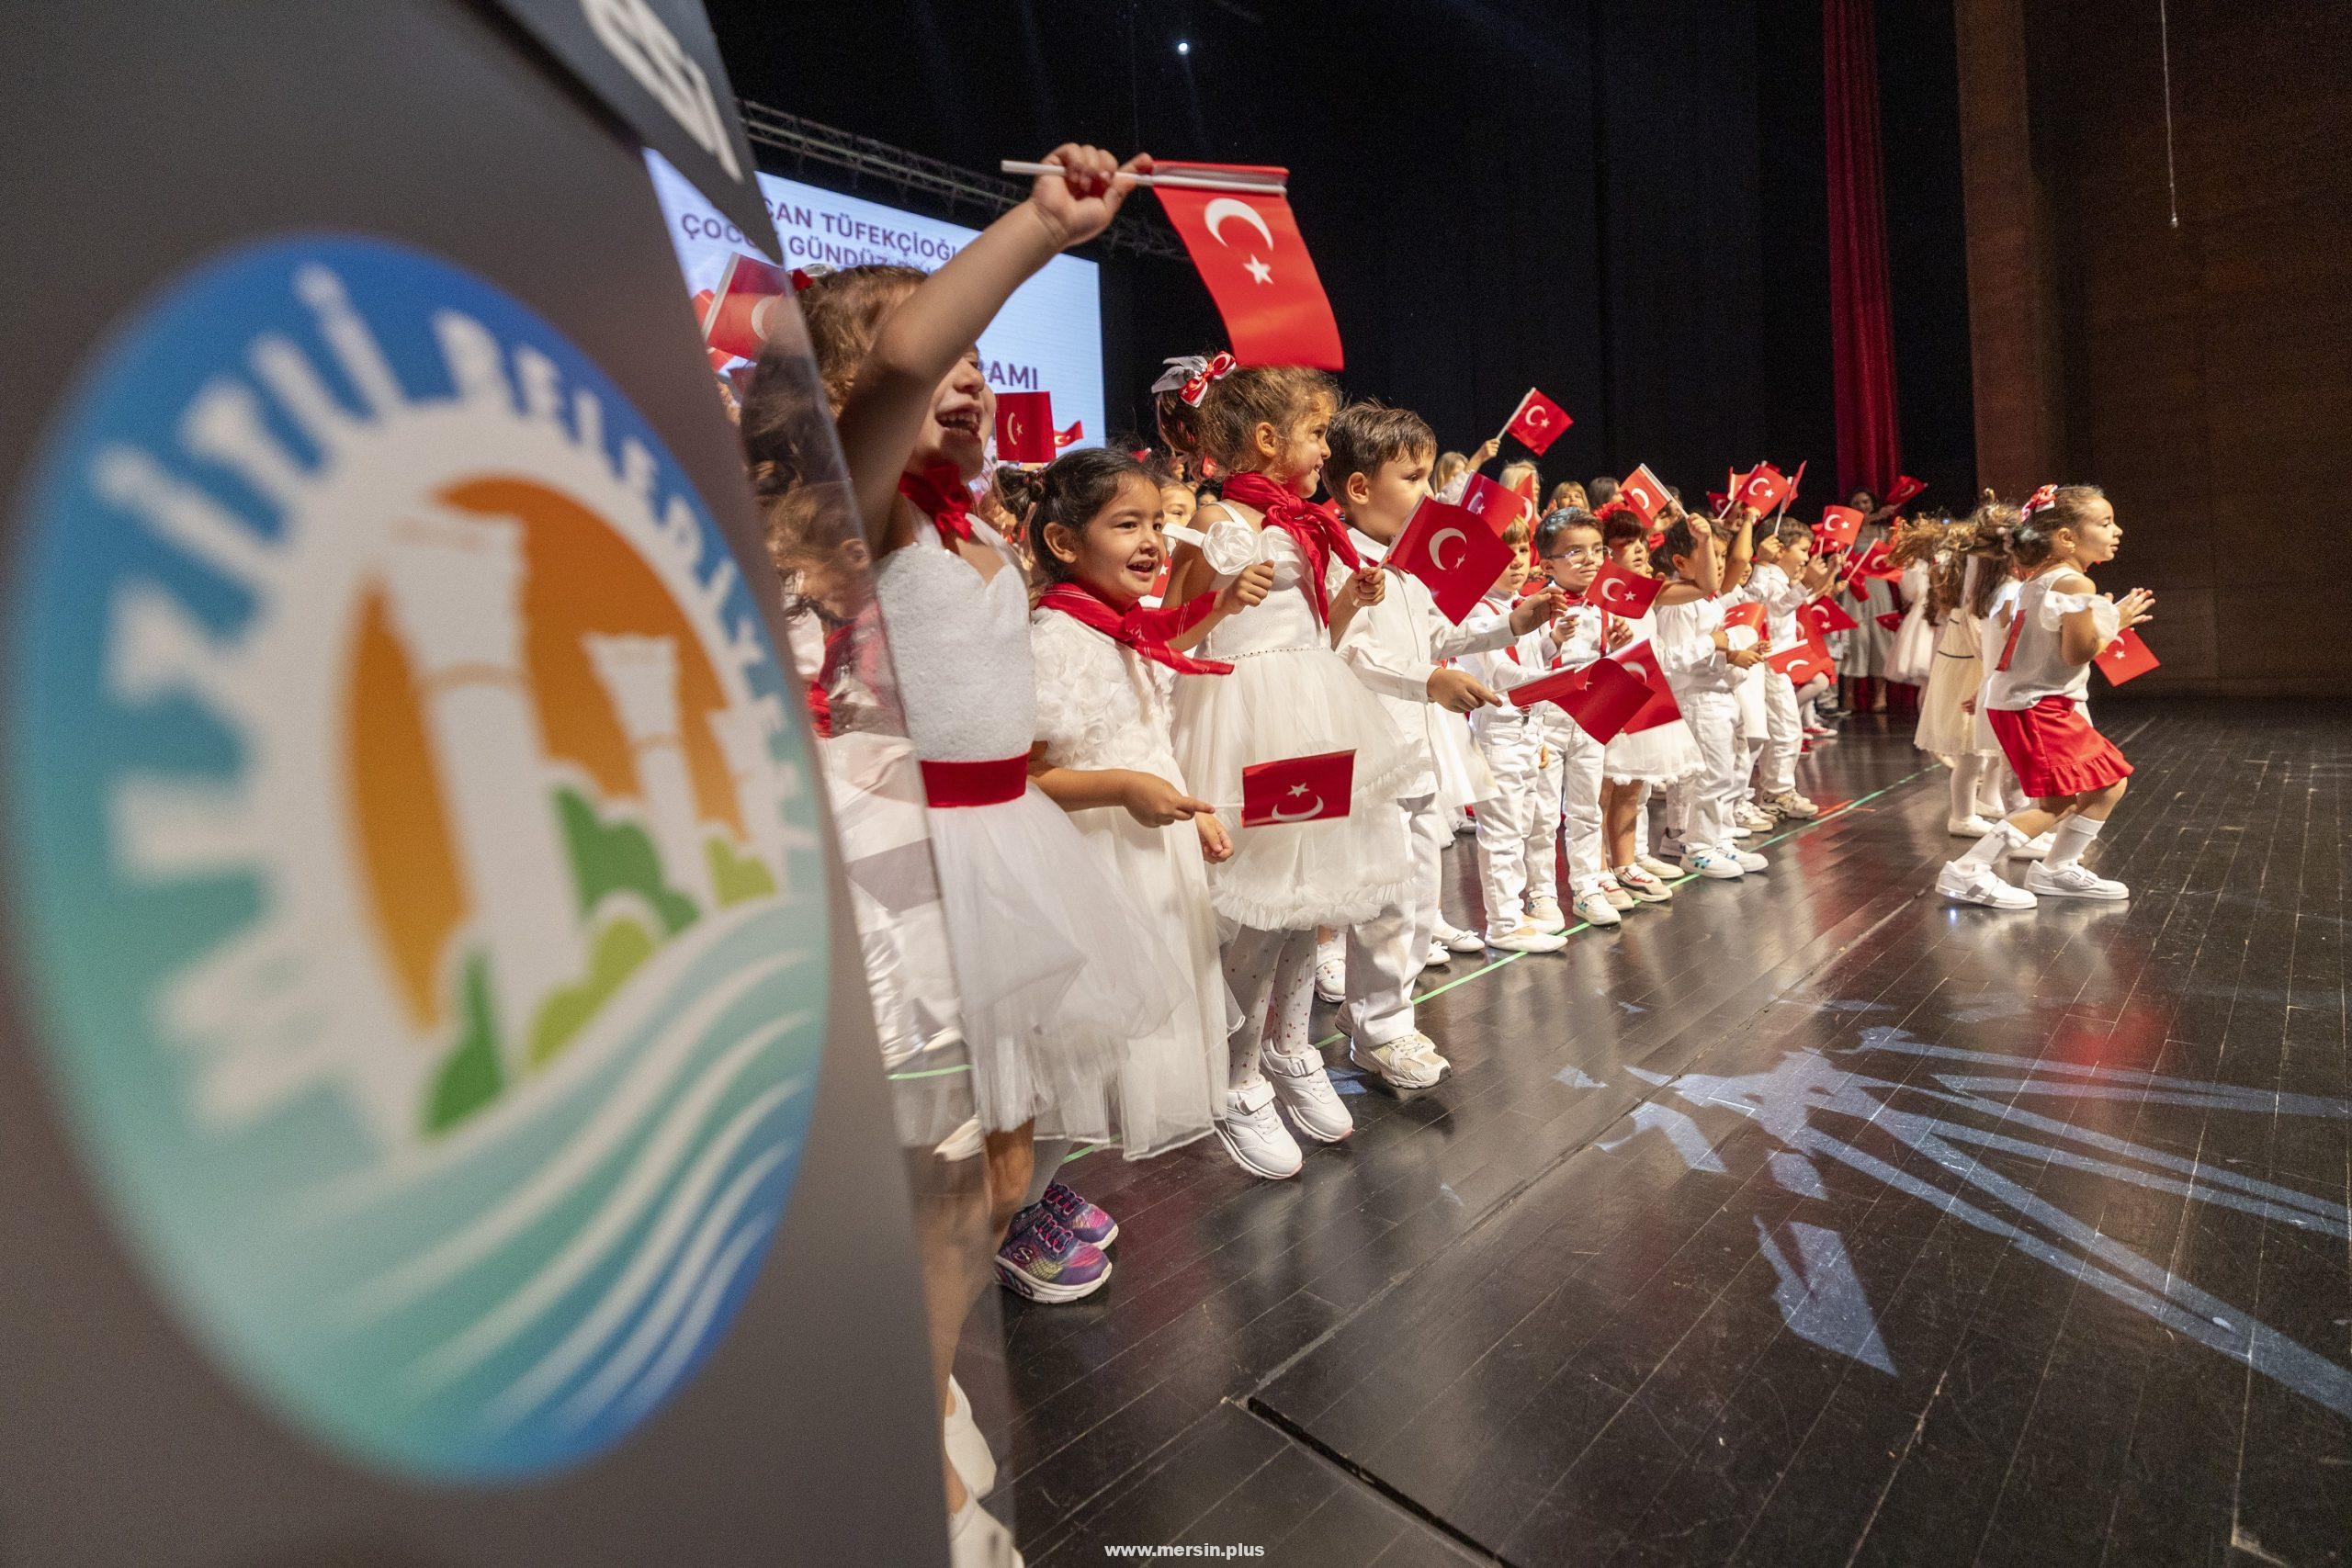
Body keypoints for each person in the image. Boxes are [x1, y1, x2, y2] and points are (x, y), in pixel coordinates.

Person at [790, 144, 1171, 1567]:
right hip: (903, 860)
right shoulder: (856, 507)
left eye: (976, 355)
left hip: (997, 848)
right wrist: (1034, 228)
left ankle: (928, 1356)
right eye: (937, 347)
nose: (963, 372)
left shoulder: (976, 519)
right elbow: (893, 371)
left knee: (1003, 1172)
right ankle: (895, 1426)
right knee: (934, 1173)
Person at [1158, 358, 1419, 1179]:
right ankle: (1236, 1079)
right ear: (1268, 440)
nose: (1323, 448)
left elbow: (1315, 632)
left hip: (1312, 707)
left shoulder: (1306, 525)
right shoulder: (1217, 523)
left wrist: (1351, 602)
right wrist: (1223, 600)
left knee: (1315, 902)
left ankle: (1290, 1047)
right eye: (1314, 433)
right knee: (1265, 907)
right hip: (1249, 725)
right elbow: (1168, 635)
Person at [1018, 448, 1281, 1171]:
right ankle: (1025, 1205)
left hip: (1144, 856)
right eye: (1126, 524)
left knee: (1124, 1040)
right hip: (1093, 864)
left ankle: (1048, 1190)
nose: (1152, 543)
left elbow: (1147, 730)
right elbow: (1029, 775)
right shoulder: (1056, 642)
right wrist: (1126, 789)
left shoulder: (1118, 625)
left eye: (1157, 525)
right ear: (1065, 543)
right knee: (1073, 1049)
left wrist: (1181, 804)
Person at [1322, 400, 1563, 1083]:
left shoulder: (1408, 562)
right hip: (1375, 753)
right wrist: (1429, 680)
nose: (1430, 493)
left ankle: (1380, 1013)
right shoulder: (1342, 561)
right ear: (1361, 487)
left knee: (1420, 887)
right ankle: (1379, 1027)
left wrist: (1511, 622)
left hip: (1422, 749)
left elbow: (1438, 636)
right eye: (1414, 477)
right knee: (1387, 895)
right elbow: (1352, 655)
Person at [1937, 485, 2153, 909]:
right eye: (2105, 522)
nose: (2117, 531)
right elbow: (2077, 652)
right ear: (2067, 537)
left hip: (2033, 702)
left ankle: (2057, 869)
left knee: (2107, 784)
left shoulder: (2043, 579)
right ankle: (1968, 870)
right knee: (2058, 802)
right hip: (2039, 706)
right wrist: (2116, 620)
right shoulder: (2074, 582)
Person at [1458, 518, 1575, 951]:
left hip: (1529, 729)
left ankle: (1515, 909)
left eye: (1522, 552)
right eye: (1503, 556)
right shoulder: (1474, 612)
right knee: (1502, 831)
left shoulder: (1528, 605)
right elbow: (1497, 673)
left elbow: (1532, 658)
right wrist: (1553, 681)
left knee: (1524, 824)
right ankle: (1502, 921)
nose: (1516, 563)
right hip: (1499, 732)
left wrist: (1554, 641)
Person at [1530, 508, 1643, 926]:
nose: (1591, 560)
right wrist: (1552, 641)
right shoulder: (1535, 605)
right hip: (1547, 721)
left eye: (1597, 550)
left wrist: (1614, 647)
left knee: (1586, 808)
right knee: (1542, 814)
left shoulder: (1603, 605)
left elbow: (1599, 662)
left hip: (1591, 717)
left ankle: (1586, 886)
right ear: (1547, 564)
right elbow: (1524, 667)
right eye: (1575, 552)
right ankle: (1540, 893)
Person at [1655, 509, 1770, 879]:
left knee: (1727, 772)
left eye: (1720, 556)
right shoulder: (1678, 604)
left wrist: (1730, 651)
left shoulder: (1705, 601)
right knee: (1708, 776)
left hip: (1718, 694)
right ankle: (1697, 847)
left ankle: (1714, 838)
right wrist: (1715, 643)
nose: (1719, 565)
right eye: (1711, 556)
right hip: (1697, 699)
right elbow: (1670, 660)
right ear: (1680, 562)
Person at [1595, 513, 1701, 892]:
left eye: (1643, 541)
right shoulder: (1596, 595)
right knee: (1600, 790)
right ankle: (1598, 867)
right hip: (1608, 695)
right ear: (1605, 551)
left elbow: (1704, 585)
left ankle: (1625, 862)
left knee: (1632, 786)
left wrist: (1701, 540)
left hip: (1643, 692)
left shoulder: (1646, 591)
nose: (1641, 549)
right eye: (1628, 542)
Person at [1914, 496, 2018, 834]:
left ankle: (1987, 801)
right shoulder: (1980, 602)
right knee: (1971, 753)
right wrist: (1989, 681)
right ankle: (1962, 816)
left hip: (1974, 672)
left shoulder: (1984, 595)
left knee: (1987, 751)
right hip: (1967, 674)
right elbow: (1981, 644)